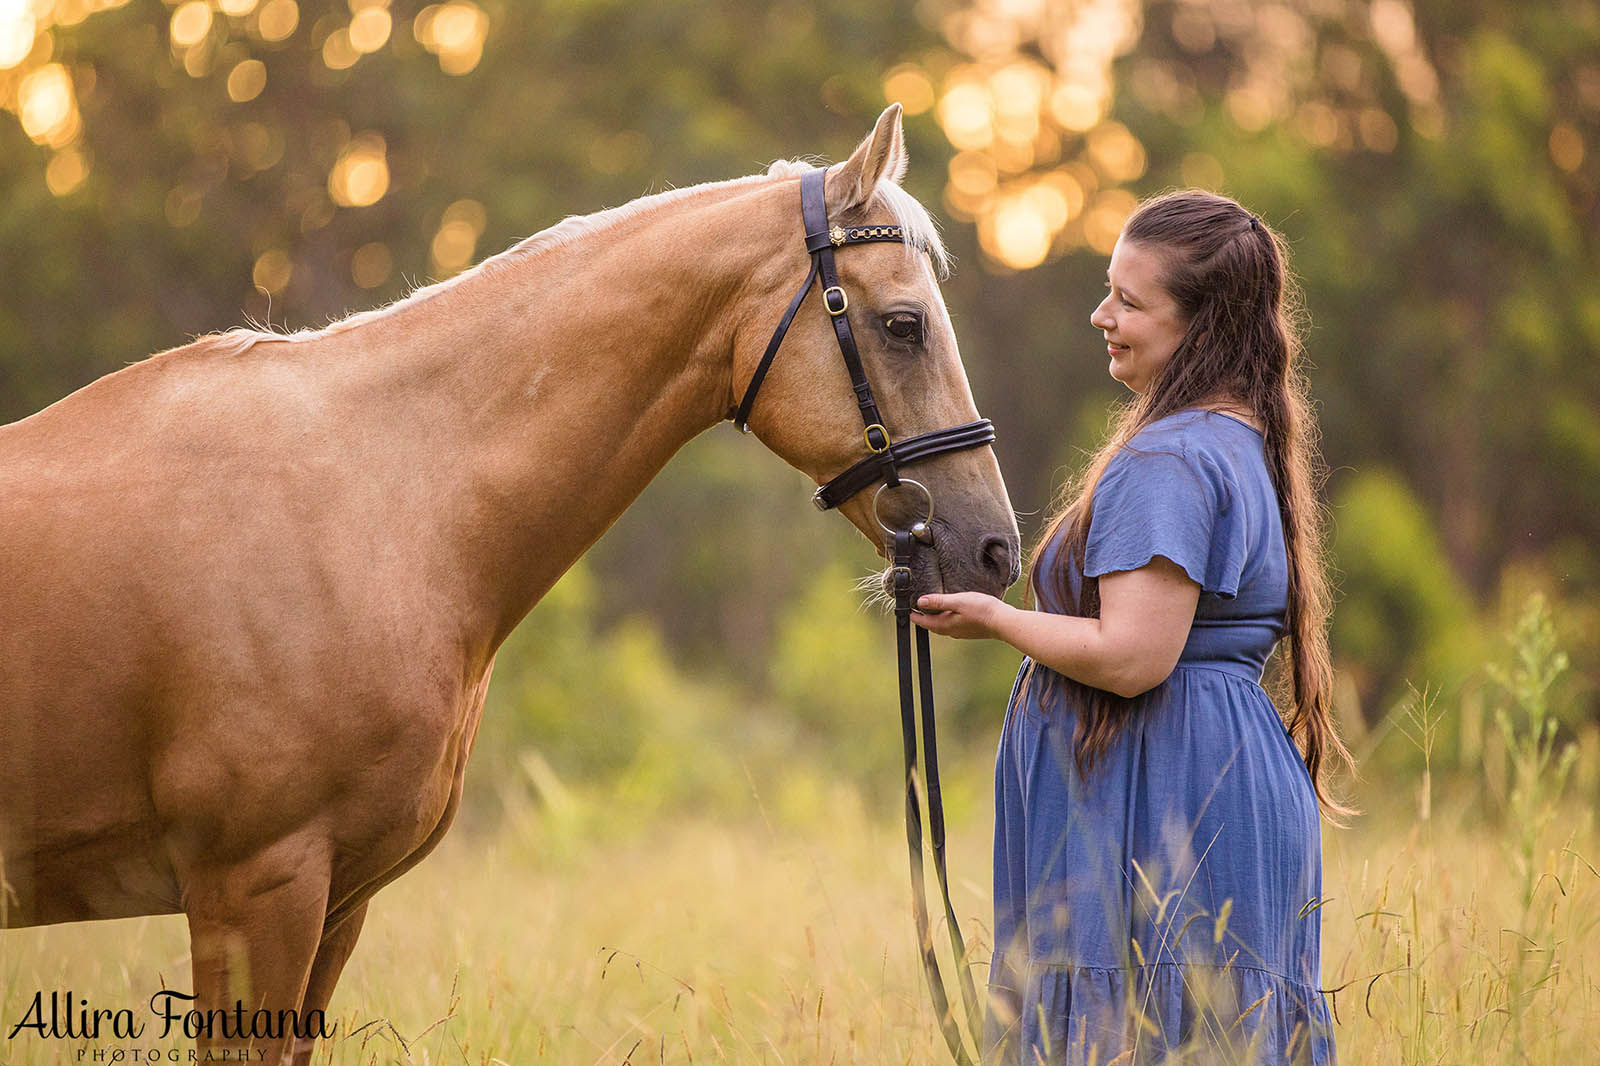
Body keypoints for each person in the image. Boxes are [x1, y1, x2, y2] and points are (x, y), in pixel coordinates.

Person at [914, 189, 1348, 1065]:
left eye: (1130, 301)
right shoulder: (1236, 440)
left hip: (1165, 788)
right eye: (1108, 290)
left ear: (1203, 325)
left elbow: (1132, 656)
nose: (1101, 314)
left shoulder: (1171, 457)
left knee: (1145, 1030)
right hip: (1214, 769)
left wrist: (1001, 620)